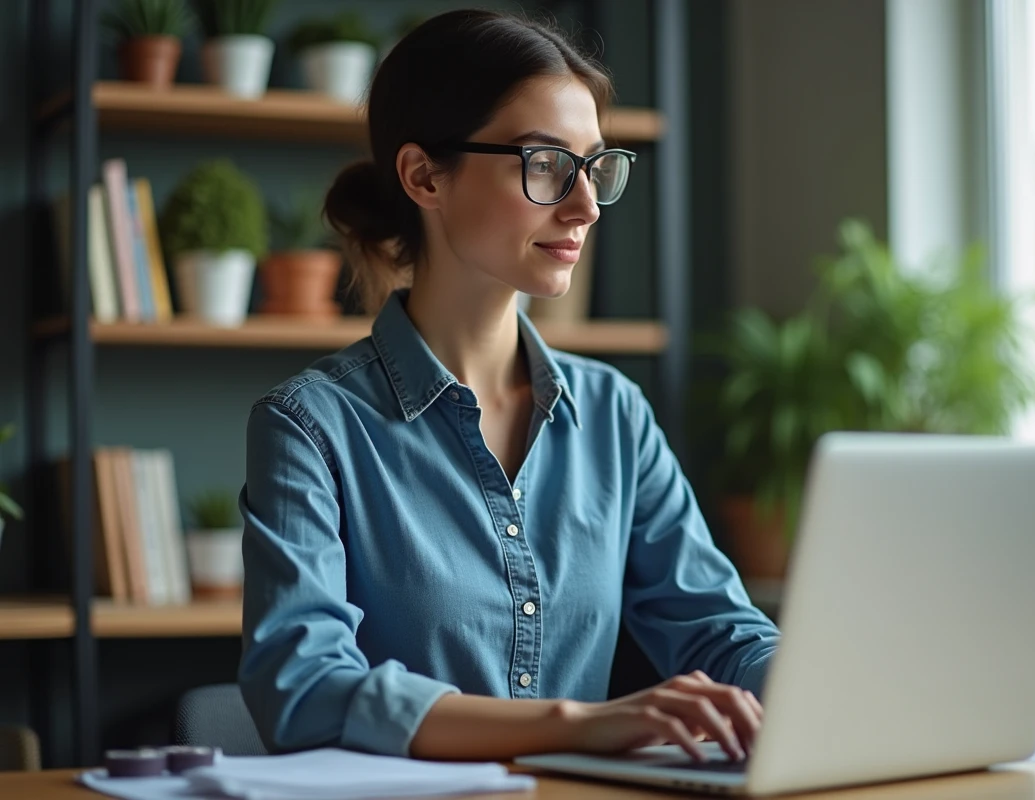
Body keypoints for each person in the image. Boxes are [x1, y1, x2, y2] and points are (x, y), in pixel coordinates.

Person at [237, 8, 780, 764]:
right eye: (546, 164)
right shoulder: (311, 426)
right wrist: (574, 724)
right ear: (425, 175)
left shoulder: (615, 414)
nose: (586, 206)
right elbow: (303, 689)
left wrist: (820, 689)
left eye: (594, 167)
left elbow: (720, 631)